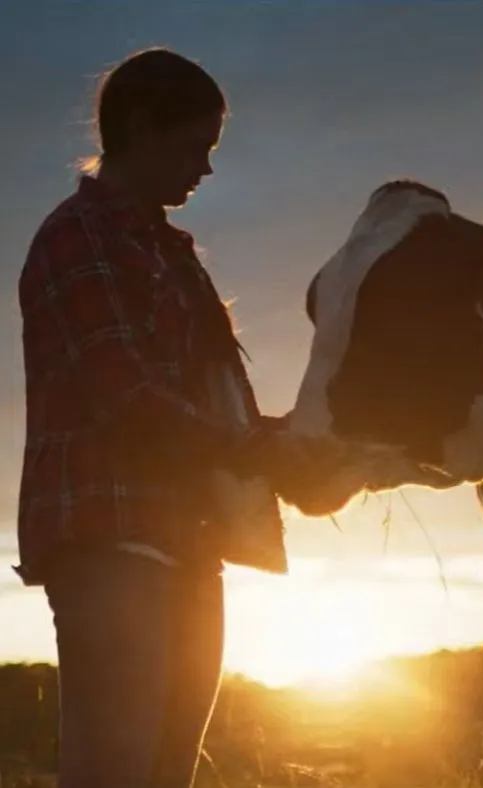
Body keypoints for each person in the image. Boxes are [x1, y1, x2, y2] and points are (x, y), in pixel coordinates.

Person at [16, 47, 312, 788]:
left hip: (184, 542)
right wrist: (263, 452)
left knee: (166, 774)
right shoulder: (78, 239)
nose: (205, 170)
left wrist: (287, 440)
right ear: (142, 128)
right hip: (108, 541)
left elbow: (201, 397)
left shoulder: (163, 249)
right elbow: (130, 404)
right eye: (195, 148)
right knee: (114, 772)